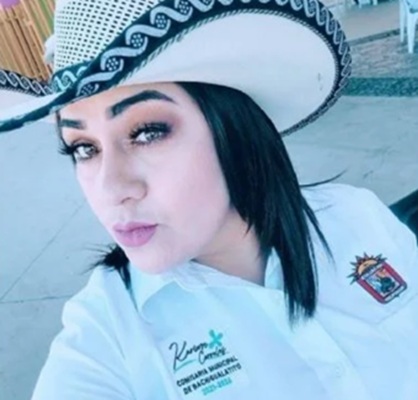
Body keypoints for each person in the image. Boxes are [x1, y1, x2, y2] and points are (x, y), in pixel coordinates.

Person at [0, 0, 417, 399]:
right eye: (84, 148)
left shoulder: (356, 216)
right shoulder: (107, 334)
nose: (111, 189)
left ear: (235, 129)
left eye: (147, 132)